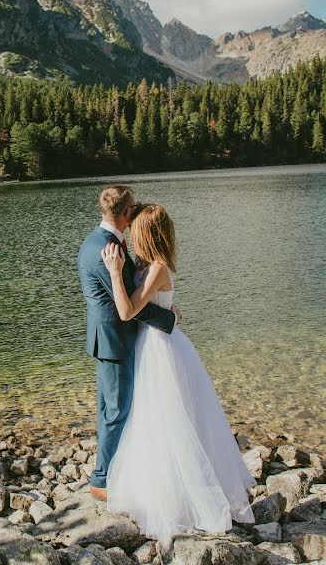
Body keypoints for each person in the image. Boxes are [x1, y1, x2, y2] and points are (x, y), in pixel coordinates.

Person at [102, 203, 255, 543]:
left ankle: (184, 500)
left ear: (147, 235)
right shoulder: (149, 265)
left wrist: (114, 271)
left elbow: (127, 312)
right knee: (157, 420)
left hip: (161, 350)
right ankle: (163, 487)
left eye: (135, 231)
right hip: (157, 343)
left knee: (172, 420)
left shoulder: (156, 268)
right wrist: (169, 309)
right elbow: (161, 305)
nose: (130, 236)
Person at [76, 185, 178, 501]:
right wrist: (170, 318)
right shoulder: (106, 251)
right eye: (133, 210)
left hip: (111, 339)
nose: (135, 214)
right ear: (125, 213)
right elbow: (130, 309)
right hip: (115, 340)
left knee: (113, 407)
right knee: (115, 410)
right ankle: (103, 479)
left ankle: (114, 469)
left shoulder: (102, 241)